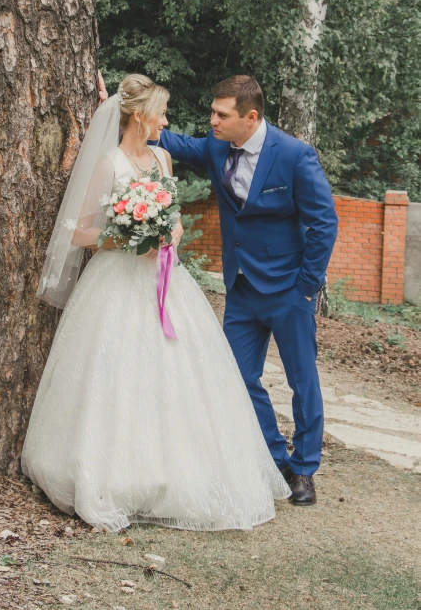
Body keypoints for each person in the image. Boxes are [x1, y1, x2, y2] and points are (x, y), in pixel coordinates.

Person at [21, 74, 290, 532]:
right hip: (117, 282)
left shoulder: (163, 158)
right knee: (117, 374)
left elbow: (175, 216)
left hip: (166, 281)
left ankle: (173, 473)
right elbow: (81, 231)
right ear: (140, 116)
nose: (167, 122)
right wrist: (125, 237)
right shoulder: (109, 164)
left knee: (177, 373)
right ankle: (116, 476)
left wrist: (172, 231)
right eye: (162, 113)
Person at [133, 74, 338, 506]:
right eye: (212, 112)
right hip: (242, 289)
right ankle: (274, 456)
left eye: (221, 114)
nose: (212, 121)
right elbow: (168, 141)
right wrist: (124, 111)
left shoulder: (296, 156)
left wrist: (306, 287)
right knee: (237, 378)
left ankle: (304, 471)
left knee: (303, 381)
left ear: (250, 116)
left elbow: (325, 224)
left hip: (289, 291)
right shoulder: (216, 147)